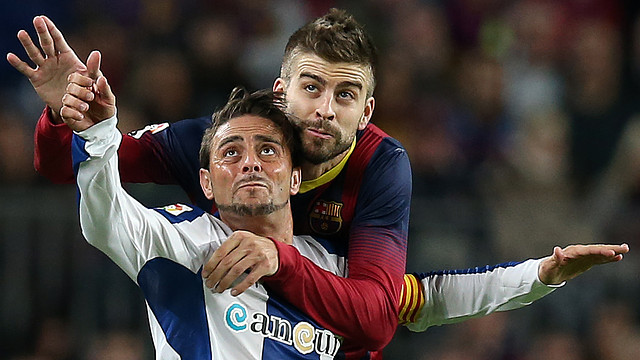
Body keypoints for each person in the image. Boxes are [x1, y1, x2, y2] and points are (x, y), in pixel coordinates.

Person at [9, 11, 631, 359]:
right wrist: (72, 113)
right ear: (281, 90)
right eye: (312, 87)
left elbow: (397, 310)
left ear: (367, 113)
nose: (324, 110)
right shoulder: (210, 155)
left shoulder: (379, 172)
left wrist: (536, 278)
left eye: (346, 94)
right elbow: (86, 174)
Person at [66, 82, 346, 359]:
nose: (251, 163)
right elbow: (105, 220)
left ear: (295, 178)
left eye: (268, 150)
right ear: (206, 183)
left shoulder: (334, 264)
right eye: (231, 153)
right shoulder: (184, 239)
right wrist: (98, 135)